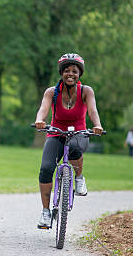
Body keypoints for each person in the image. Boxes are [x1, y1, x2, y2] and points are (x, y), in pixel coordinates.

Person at [34, 53, 103, 229]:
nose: (70, 74)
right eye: (66, 71)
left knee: (75, 148)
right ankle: (45, 212)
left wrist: (97, 125)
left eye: (74, 71)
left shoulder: (86, 91)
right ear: (61, 73)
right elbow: (43, 108)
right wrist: (40, 121)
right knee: (46, 168)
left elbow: (93, 110)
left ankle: (79, 178)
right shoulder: (52, 92)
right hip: (56, 133)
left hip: (79, 132)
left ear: (79, 74)